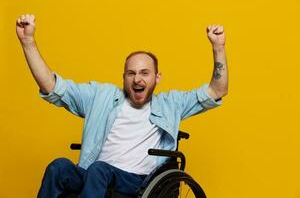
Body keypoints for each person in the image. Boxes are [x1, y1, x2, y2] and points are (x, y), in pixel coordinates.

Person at [16, 14, 228, 198]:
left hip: (137, 181)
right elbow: (52, 86)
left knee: (100, 170)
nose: (137, 79)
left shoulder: (171, 104)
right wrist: (28, 42)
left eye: (145, 73)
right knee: (59, 166)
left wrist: (218, 48)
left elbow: (217, 90)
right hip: (94, 176)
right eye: (131, 73)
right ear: (124, 77)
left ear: (157, 77)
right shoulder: (101, 97)